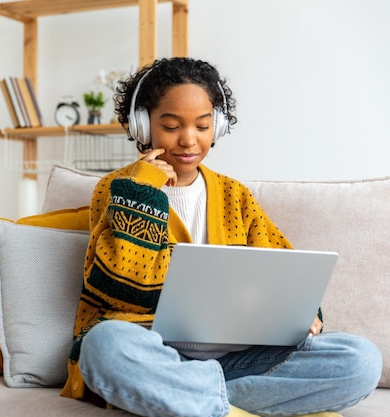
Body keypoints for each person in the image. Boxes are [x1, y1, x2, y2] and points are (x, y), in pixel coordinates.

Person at [60, 57, 382, 417]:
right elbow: (120, 283)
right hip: (154, 353)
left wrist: (304, 313)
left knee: (361, 360)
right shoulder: (119, 189)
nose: (189, 139)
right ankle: (231, 406)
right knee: (105, 347)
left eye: (202, 125)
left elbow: (284, 266)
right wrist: (145, 188)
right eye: (170, 126)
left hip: (239, 357)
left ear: (219, 126)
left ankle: (194, 401)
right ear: (142, 124)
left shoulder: (235, 195)